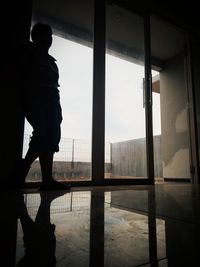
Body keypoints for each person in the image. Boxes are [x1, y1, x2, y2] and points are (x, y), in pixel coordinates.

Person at [18, 23, 70, 190]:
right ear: (37, 37)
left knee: (50, 138)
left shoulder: (52, 62)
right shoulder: (30, 53)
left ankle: (46, 180)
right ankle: (23, 174)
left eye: (50, 35)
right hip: (36, 101)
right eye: (46, 35)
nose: (50, 39)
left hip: (51, 103)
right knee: (42, 136)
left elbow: (54, 87)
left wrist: (58, 109)